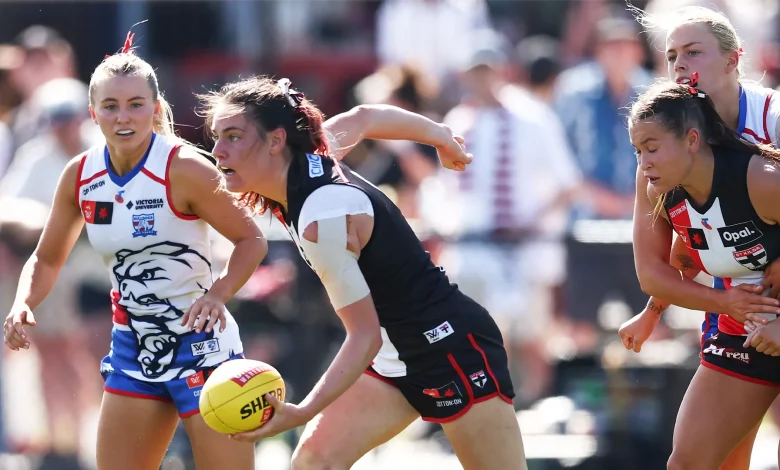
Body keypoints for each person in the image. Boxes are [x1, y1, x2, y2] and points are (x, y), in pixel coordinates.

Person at [1, 34, 473, 470]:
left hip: (203, 351)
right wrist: (24, 302)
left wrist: (219, 295)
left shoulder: (193, 169)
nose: (123, 117)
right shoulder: (82, 175)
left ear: (155, 108)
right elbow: (45, 257)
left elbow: (255, 238)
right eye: (110, 106)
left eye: (135, 105)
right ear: (93, 112)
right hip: (133, 349)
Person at [198, 76, 526, 470]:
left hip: (449, 349)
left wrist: (303, 410)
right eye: (216, 136)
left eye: (233, 136)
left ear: (275, 140)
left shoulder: (323, 219)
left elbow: (363, 335)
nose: (217, 150)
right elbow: (365, 117)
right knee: (313, 463)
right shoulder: (312, 157)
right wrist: (439, 136)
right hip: (395, 356)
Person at [620, 5, 780, 468]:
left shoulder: (770, 125)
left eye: (693, 52)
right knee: (703, 460)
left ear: (734, 60)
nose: (680, 66)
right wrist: (654, 310)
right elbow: (678, 253)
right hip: (742, 309)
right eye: (671, 56)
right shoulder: (664, 150)